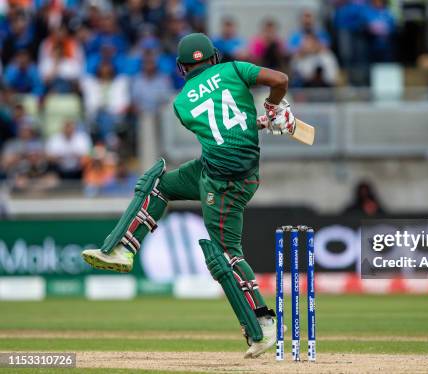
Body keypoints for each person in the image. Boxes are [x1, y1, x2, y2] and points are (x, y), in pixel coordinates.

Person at [81, 33, 295, 359]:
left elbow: (220, 128)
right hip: (227, 170)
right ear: (214, 58)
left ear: (182, 68)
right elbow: (278, 81)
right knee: (161, 185)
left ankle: (263, 323)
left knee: (226, 254)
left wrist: (262, 121)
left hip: (224, 183)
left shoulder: (181, 104)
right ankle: (124, 250)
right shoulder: (235, 70)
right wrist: (272, 110)